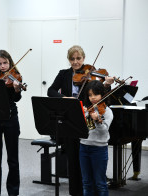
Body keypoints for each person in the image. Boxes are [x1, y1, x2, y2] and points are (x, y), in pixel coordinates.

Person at [47, 45, 114, 196]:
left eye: (78, 58)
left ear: (84, 58)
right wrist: (65, 98)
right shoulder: (64, 74)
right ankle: (75, 192)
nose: (76, 62)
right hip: (70, 120)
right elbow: (50, 90)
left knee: (89, 162)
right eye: (72, 59)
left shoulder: (90, 73)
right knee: (73, 159)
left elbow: (100, 95)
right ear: (68, 60)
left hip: (87, 118)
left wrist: (107, 84)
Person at [0, 50, 23, 196]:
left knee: (12, 159)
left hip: (10, 119)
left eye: (5, 63)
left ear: (10, 62)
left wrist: (16, 89)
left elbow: (16, 99)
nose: (3, 66)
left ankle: (13, 192)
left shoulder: (15, 76)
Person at [80, 80, 113, 196]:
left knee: (100, 183)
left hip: (99, 149)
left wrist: (97, 121)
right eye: (90, 95)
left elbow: (104, 130)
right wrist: (81, 115)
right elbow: (79, 128)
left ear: (102, 94)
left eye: (96, 94)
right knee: (86, 182)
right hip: (84, 146)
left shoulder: (107, 112)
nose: (93, 98)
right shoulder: (87, 109)